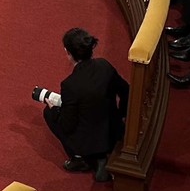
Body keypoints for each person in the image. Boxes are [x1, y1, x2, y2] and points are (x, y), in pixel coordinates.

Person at [39, 27, 129, 182]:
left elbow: (67, 125)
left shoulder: (70, 85)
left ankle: (80, 159)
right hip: (114, 131)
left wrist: (54, 109)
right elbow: (126, 91)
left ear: (68, 52)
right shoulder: (104, 65)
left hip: (90, 142)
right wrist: (120, 115)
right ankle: (100, 157)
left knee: (49, 113)